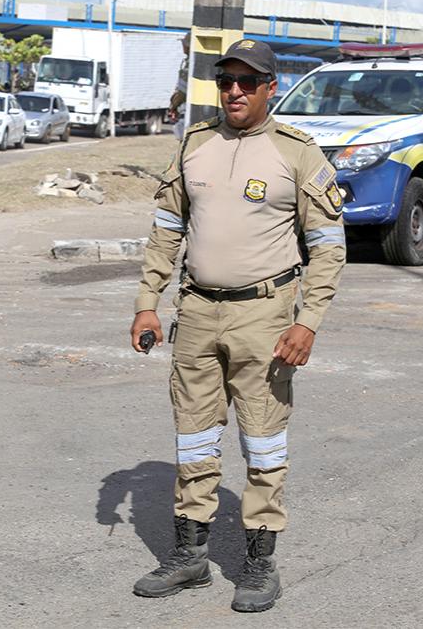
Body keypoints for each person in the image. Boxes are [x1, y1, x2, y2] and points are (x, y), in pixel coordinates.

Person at [129, 39, 346, 613]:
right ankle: (190, 555)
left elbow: (328, 247)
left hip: (265, 315)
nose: (235, 92)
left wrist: (309, 321)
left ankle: (258, 563)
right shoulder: (195, 145)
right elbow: (166, 230)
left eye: (248, 82)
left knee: (263, 439)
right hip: (196, 312)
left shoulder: (297, 153)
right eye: (227, 81)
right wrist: (148, 302)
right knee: (194, 435)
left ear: (270, 87)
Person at [168, 32, 190, 140]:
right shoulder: (188, 62)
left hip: (186, 113)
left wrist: (173, 106)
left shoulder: (190, 65)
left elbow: (182, 92)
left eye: (184, 43)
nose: (183, 46)